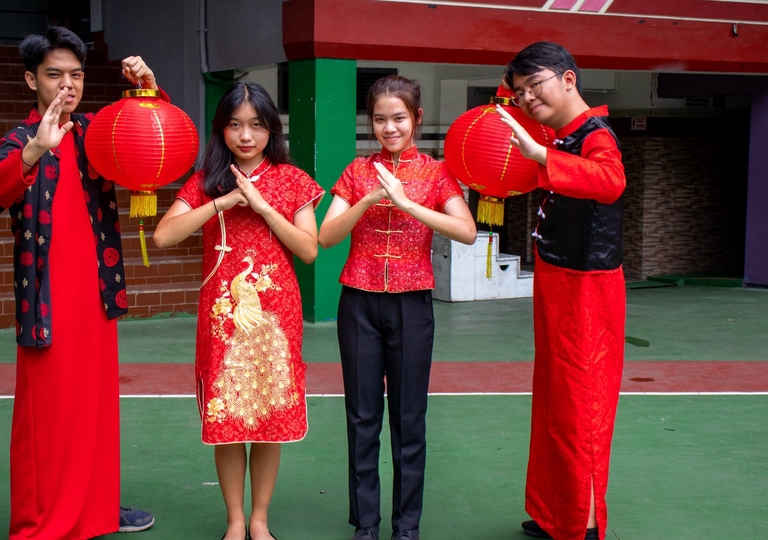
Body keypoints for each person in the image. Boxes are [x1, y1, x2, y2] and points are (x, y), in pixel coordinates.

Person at [0, 27, 156, 539]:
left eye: (76, 75)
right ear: (31, 79)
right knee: (48, 415)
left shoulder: (97, 131)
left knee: (96, 407)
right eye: (54, 74)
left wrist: (148, 90)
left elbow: (149, 138)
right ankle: (42, 519)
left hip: (98, 292)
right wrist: (35, 150)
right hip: (47, 297)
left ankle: (98, 507)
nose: (67, 85)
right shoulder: (20, 139)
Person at [152, 81, 323, 540]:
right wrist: (224, 200)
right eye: (234, 125)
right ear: (221, 129)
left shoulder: (292, 180)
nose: (246, 135)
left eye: (256, 125)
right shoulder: (206, 180)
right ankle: (233, 522)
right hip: (221, 316)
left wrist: (266, 208)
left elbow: (309, 250)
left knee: (267, 418)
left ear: (271, 129)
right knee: (226, 420)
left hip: (276, 315)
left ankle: (260, 520)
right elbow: (163, 237)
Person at [318, 75, 477, 540]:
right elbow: (327, 237)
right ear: (371, 122)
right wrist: (369, 197)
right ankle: (366, 524)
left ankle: (407, 526)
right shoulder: (356, 171)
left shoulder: (435, 172)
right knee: (362, 417)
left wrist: (406, 203)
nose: (390, 128)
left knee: (410, 418)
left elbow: (465, 231)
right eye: (380, 119)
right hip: (359, 304)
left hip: (412, 306)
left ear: (417, 119)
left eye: (399, 118)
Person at [497, 42, 627, 540]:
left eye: (537, 85)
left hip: (589, 289)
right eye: (521, 91)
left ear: (569, 79)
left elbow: (611, 180)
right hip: (556, 279)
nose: (529, 97)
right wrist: (514, 115)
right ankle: (554, 513)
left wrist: (540, 154)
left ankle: (583, 524)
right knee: (552, 398)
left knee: (582, 406)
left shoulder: (596, 134)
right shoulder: (559, 134)